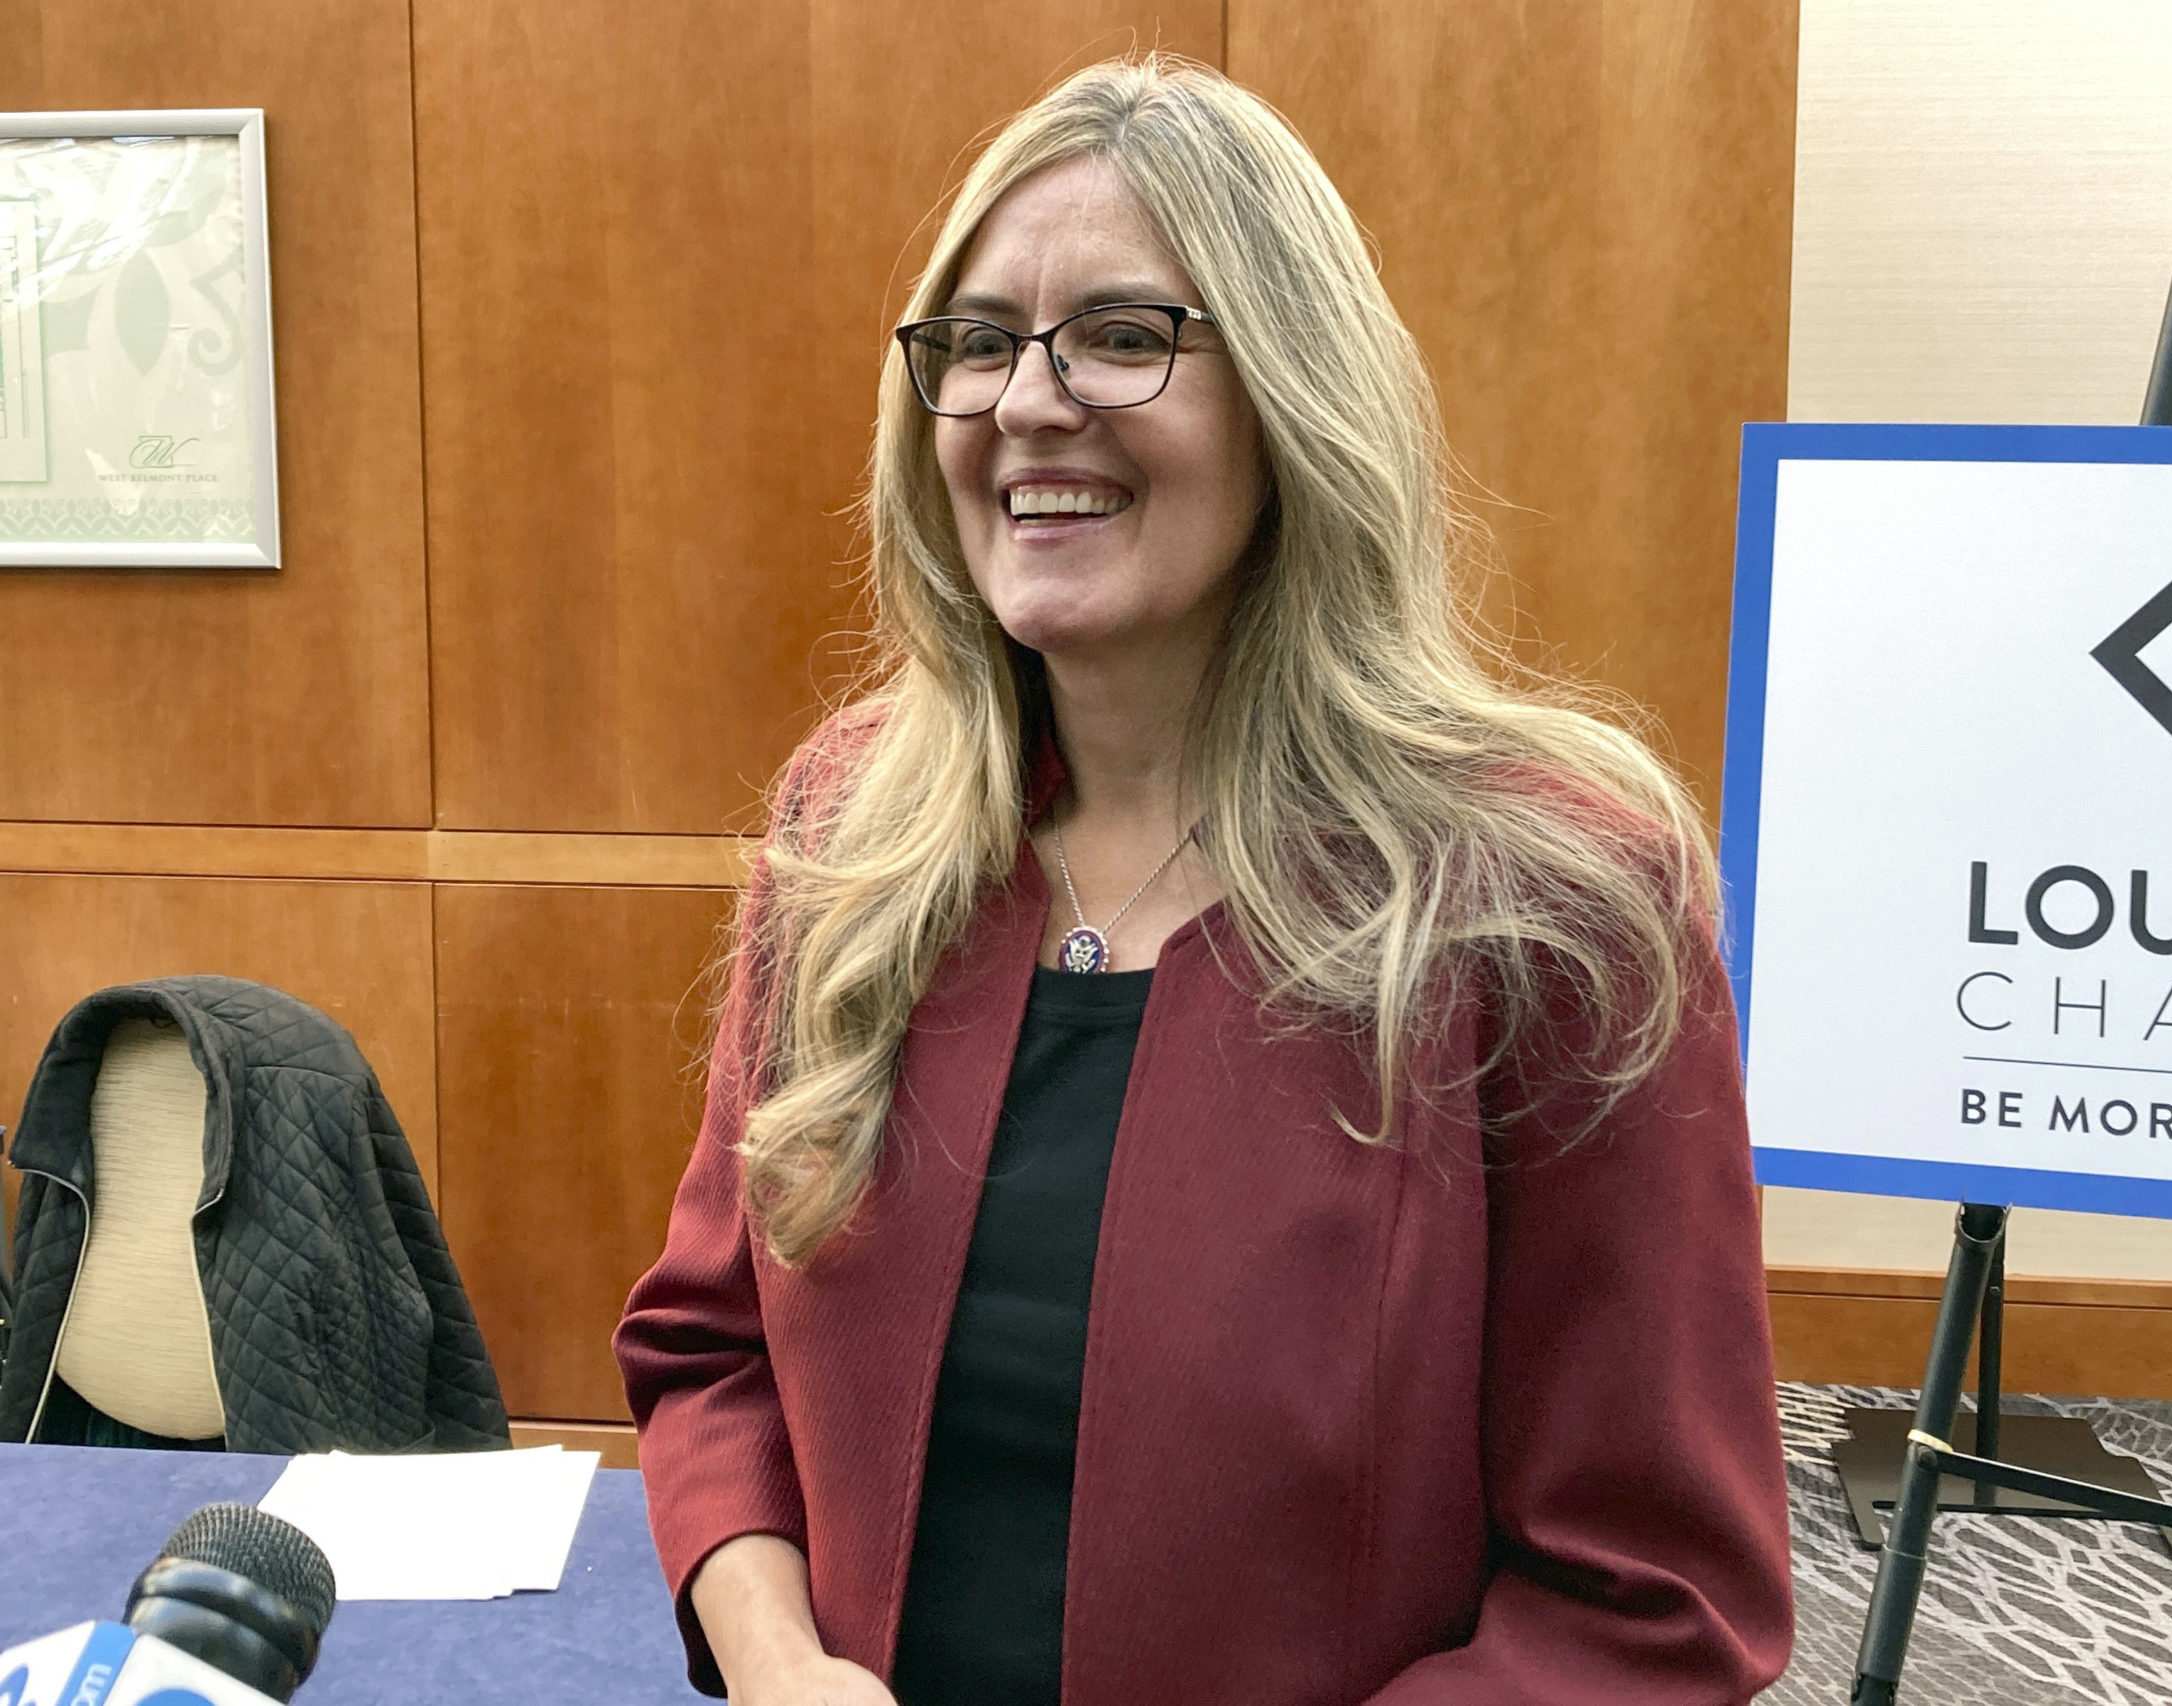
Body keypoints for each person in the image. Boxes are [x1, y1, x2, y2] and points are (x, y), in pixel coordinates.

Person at [613, 54, 1791, 1706]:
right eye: (977, 342)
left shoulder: (1554, 899)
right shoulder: (851, 833)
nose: (1029, 400)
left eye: (1120, 332)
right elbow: (708, 1351)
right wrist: (779, 1659)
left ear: (1296, 394)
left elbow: (1654, 1596)